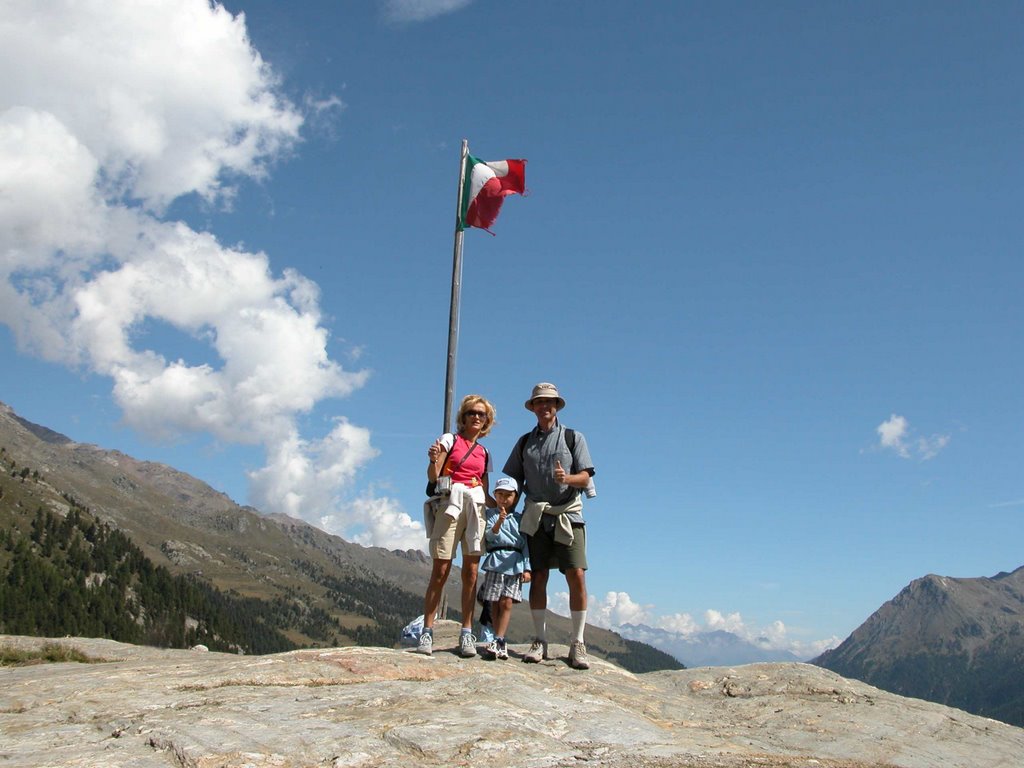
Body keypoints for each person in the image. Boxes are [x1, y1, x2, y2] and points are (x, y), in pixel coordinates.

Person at [503, 382, 595, 670]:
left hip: (568, 514)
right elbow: (514, 481)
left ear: (557, 406)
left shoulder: (573, 437)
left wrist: (566, 479)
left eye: (550, 402)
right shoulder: (523, 443)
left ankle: (577, 642)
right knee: (539, 575)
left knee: (576, 574)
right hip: (537, 516)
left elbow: (587, 477)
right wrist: (503, 508)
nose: (545, 407)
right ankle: (539, 640)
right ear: (533, 408)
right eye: (540, 402)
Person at [417, 394, 495, 658]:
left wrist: (501, 505)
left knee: (471, 572)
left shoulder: (484, 452)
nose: (476, 417)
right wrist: (432, 460)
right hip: (450, 504)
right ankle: (427, 631)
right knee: (441, 568)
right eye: (472, 412)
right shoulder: (449, 441)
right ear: (463, 417)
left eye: (481, 414)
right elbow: (434, 476)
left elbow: (483, 484)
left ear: (487, 421)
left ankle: (466, 632)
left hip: (475, 506)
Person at [477, 477, 531, 660]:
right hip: (495, 561)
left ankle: (500, 639)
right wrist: (499, 521)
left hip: (514, 563)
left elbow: (525, 544)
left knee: (507, 602)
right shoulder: (490, 514)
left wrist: (527, 568)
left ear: (515, 498)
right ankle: (493, 637)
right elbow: (489, 537)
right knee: (493, 602)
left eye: (508, 495)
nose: (503, 498)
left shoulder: (519, 519)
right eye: (500, 494)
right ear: (494, 495)